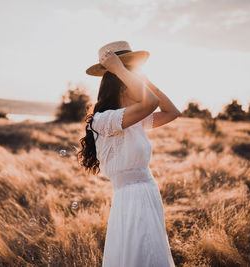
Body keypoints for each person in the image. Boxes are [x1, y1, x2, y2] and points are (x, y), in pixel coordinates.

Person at [78, 41, 180, 267]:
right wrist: (121, 70)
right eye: (132, 84)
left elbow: (173, 112)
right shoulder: (105, 120)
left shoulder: (134, 120)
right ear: (122, 87)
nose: (139, 91)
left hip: (148, 194)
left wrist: (142, 78)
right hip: (132, 199)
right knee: (143, 255)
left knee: (151, 254)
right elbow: (151, 102)